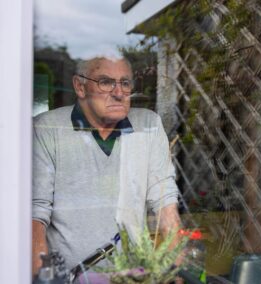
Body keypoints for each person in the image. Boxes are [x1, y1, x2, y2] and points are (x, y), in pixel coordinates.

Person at [32, 56, 182, 275]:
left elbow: (165, 202)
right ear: (80, 87)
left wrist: (175, 269)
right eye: (105, 82)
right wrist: (44, 279)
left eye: (125, 83)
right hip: (70, 278)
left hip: (133, 277)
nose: (118, 93)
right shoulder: (48, 128)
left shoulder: (148, 125)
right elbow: (35, 214)